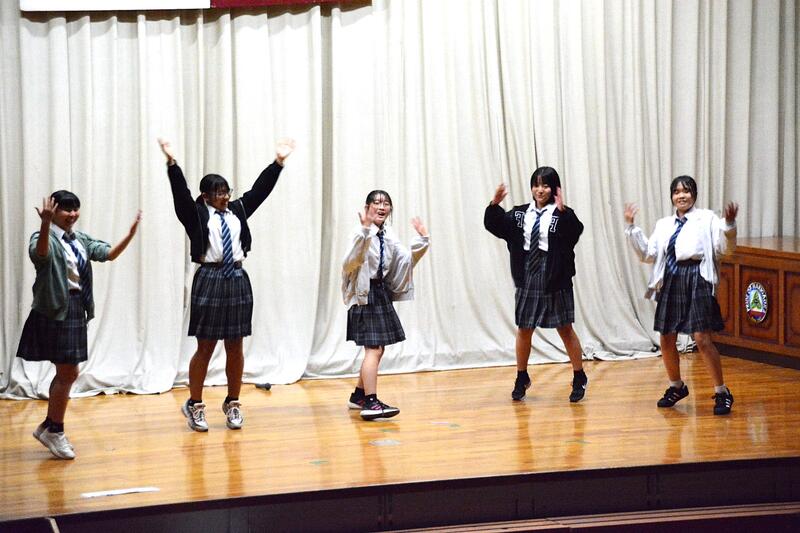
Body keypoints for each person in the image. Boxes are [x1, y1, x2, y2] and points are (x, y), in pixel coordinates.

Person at [158, 137, 294, 431]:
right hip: (209, 277)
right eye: (218, 193)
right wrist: (172, 164)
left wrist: (278, 163)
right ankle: (195, 404)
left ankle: (233, 402)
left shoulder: (238, 210)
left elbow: (260, 190)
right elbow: (180, 194)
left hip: (237, 278)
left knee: (235, 345)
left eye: (226, 191)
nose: (224, 197)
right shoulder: (195, 214)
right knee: (205, 346)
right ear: (205, 196)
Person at [18, 191, 141, 459]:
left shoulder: (79, 239)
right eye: (67, 209)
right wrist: (45, 224)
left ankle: (50, 426)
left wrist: (130, 235)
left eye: (76, 209)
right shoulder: (42, 237)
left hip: (75, 308)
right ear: (53, 211)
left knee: (67, 373)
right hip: (55, 309)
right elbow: (41, 255)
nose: (73, 214)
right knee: (68, 372)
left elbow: (108, 254)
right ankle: (54, 429)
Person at [624, 175, 738, 415]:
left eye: (686, 191)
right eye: (676, 192)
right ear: (672, 197)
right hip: (672, 279)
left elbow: (724, 250)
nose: (681, 196)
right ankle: (676, 386)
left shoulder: (707, 218)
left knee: (702, 338)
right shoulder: (664, 224)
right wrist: (632, 228)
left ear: (694, 195)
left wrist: (728, 225)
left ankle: (722, 392)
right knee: (666, 337)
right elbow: (648, 254)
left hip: (698, 276)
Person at [484, 167, 588, 402]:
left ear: (554, 188)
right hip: (528, 274)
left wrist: (563, 212)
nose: (540, 190)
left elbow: (575, 232)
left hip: (554, 274)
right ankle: (522, 376)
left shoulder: (562, 213)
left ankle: (579, 375)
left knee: (564, 328)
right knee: (524, 328)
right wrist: (494, 204)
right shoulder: (521, 213)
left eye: (545, 185)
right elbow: (495, 225)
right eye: (536, 185)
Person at [342, 190, 429, 420]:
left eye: (386, 203)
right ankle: (371, 402)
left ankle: (358, 396)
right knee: (374, 349)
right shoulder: (359, 232)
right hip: (364, 294)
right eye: (377, 203)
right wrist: (364, 232)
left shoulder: (388, 234)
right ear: (367, 207)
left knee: (377, 349)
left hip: (379, 292)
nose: (382, 207)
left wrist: (423, 240)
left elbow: (405, 261)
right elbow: (351, 262)